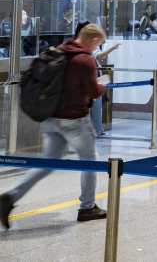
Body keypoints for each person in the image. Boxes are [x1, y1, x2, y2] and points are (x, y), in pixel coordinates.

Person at [0, 24, 110, 228]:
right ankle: (87, 207)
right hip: (75, 120)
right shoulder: (85, 60)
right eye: (98, 44)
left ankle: (11, 196)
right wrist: (103, 85)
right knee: (90, 161)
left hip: (50, 118)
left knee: (48, 163)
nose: (97, 48)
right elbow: (94, 91)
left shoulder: (59, 50)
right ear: (94, 39)